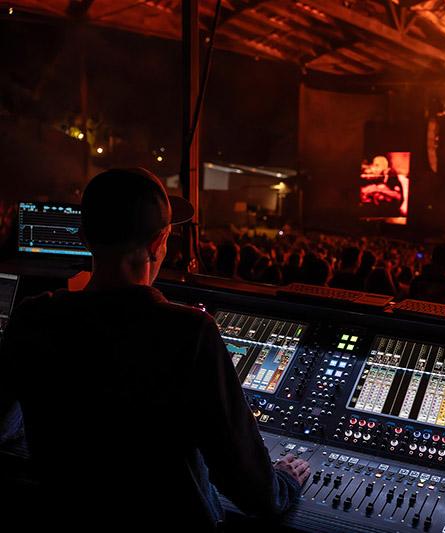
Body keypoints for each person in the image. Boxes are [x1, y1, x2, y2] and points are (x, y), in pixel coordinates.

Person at [0, 168, 309, 530]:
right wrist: (285, 481)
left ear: (83, 237)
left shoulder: (33, 318)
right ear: (161, 241)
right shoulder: (190, 333)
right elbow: (254, 493)